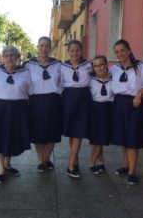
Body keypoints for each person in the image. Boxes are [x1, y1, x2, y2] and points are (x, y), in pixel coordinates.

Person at [0, 45, 31, 184]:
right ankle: (0, 169)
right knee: (0, 137)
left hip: (17, 109)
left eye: (12, 55)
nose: (9, 58)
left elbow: (29, 91)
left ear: (17, 57)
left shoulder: (25, 73)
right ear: (2, 58)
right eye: (6, 55)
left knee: (11, 137)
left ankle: (7, 165)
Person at [110, 39, 143, 185]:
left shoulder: (141, 67)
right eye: (117, 52)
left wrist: (139, 95)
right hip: (118, 104)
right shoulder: (114, 69)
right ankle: (126, 164)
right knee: (124, 136)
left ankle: (132, 172)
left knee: (132, 138)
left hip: (134, 104)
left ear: (129, 50)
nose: (120, 54)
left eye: (123, 50)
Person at [25, 36, 62, 172]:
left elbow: (63, 83)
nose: (44, 48)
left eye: (47, 46)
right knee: (38, 133)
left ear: (50, 48)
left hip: (53, 101)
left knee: (52, 132)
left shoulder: (58, 64)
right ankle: (41, 160)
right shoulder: (29, 65)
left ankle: (46, 159)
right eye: (41, 45)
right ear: (37, 47)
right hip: (35, 102)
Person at [61, 40, 92, 179]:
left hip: (83, 100)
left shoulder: (88, 65)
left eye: (77, 50)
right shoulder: (63, 67)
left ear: (82, 51)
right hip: (68, 100)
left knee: (78, 133)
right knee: (72, 132)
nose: (75, 53)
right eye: (72, 51)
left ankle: (70, 165)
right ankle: (76, 160)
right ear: (68, 52)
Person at [89, 55, 114, 175]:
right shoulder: (91, 80)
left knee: (102, 137)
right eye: (96, 66)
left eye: (101, 65)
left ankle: (94, 162)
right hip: (94, 110)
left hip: (108, 110)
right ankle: (98, 162)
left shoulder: (114, 79)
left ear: (106, 64)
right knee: (97, 138)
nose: (99, 68)